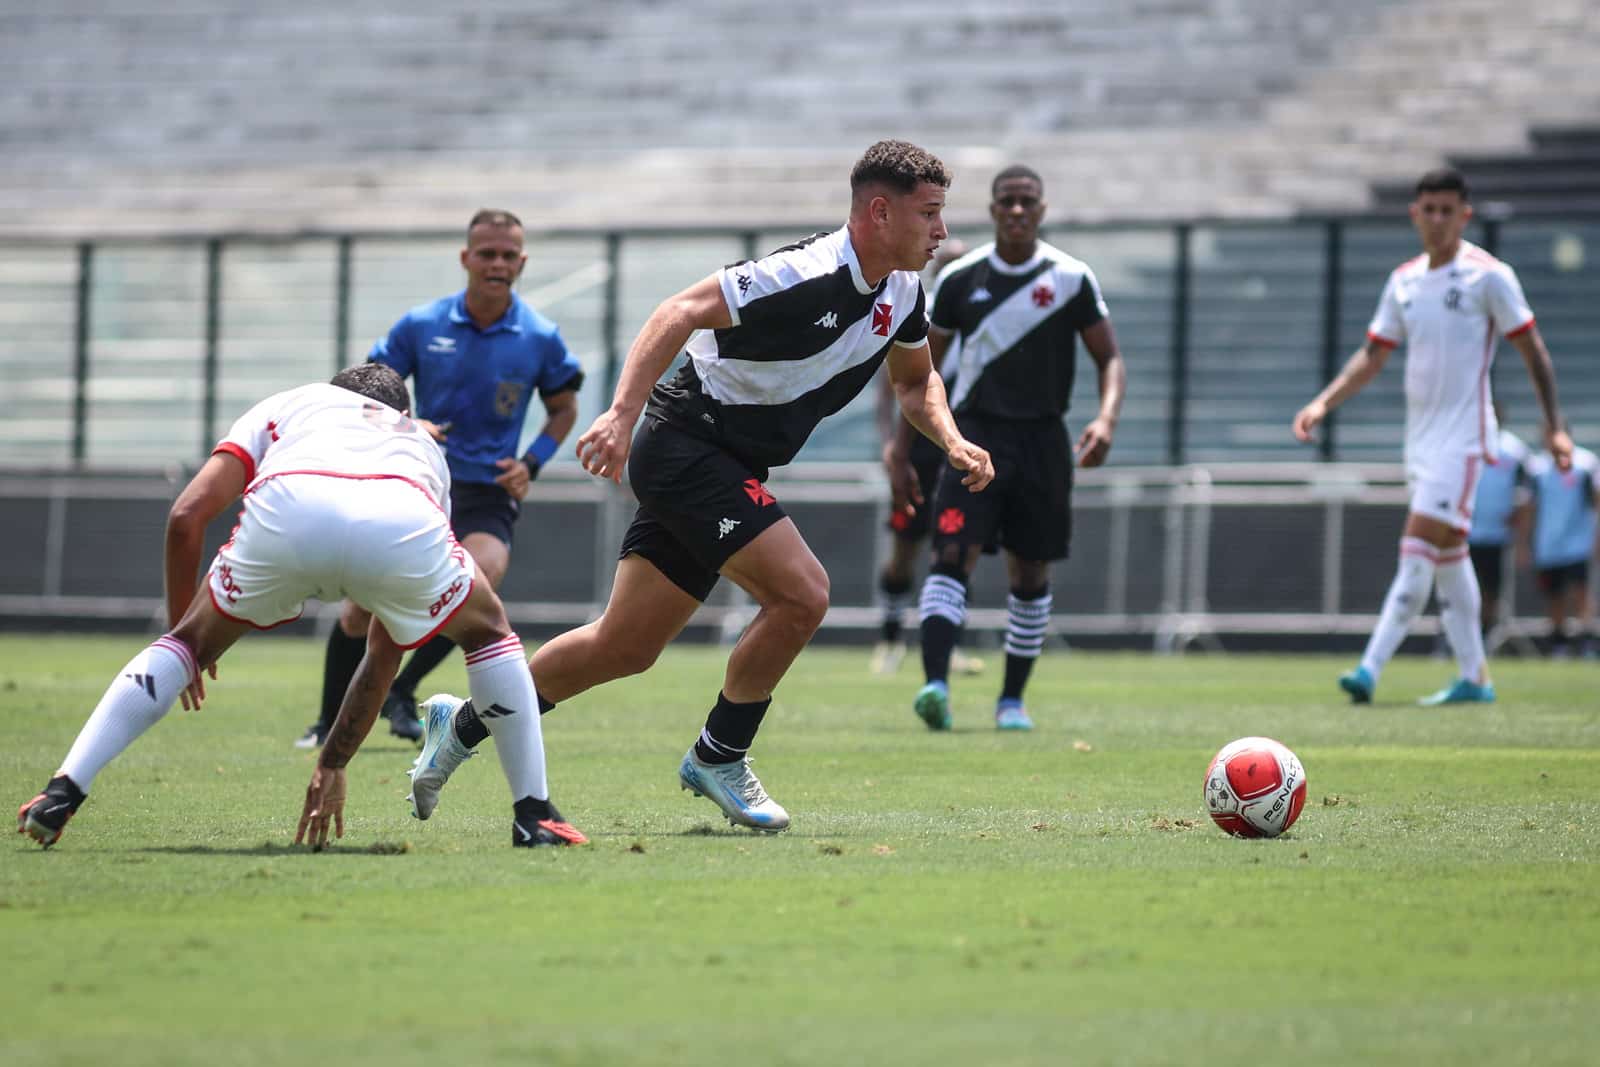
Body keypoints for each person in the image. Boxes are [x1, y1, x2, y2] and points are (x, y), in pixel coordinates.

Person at [403, 140, 995, 834]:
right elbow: (677, 311)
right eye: (929, 213)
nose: (942, 231)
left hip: (729, 463)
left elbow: (916, 382)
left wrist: (952, 440)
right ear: (880, 213)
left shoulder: (904, 291)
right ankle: (720, 753)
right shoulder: (800, 273)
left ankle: (460, 725)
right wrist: (620, 415)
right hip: (685, 443)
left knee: (623, 647)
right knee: (803, 593)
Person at [17, 364, 585, 850]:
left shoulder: (291, 403)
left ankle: (62, 791)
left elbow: (187, 515)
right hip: (398, 513)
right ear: (402, 411)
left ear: (336, 391)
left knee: (183, 646)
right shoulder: (420, 442)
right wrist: (333, 762)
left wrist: (185, 639)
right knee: (488, 634)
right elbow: (384, 651)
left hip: (291, 507)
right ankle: (534, 814)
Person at [295, 209, 582, 748]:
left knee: (479, 581)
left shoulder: (541, 336)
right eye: (487, 253)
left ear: (521, 262)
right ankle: (328, 722)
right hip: (421, 480)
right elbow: (362, 391)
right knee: (360, 610)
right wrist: (407, 423)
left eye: (508, 255)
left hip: (488, 491)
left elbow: (564, 408)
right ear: (466, 258)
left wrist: (532, 463)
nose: (497, 264)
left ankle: (401, 689)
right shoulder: (421, 324)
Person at [1293, 167, 1574, 705]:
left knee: (1416, 549)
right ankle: (1475, 678)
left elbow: (1533, 350)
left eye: (1448, 211)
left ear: (1464, 216)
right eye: (1430, 210)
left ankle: (1369, 669)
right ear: (1415, 214)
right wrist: (1323, 402)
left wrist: (1555, 428)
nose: (1438, 220)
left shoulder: (1489, 277)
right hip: (1419, 442)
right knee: (1448, 557)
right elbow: (1373, 355)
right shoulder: (1404, 281)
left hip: (1464, 440)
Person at [900, 164, 1127, 732]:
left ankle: (1011, 702)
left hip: (1043, 439)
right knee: (951, 555)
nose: (1018, 210)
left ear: (1042, 210)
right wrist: (904, 448)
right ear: (993, 210)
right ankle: (935, 687)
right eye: (1008, 201)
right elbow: (920, 371)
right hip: (975, 434)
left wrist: (1105, 419)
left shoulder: (1071, 278)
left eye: (1028, 201)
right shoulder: (961, 279)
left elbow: (1109, 358)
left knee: (1030, 571)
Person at [870, 237, 984, 677]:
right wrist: (891, 443)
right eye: (949, 263)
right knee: (905, 545)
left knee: (957, 545)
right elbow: (893, 387)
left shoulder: (980, 316)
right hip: (919, 444)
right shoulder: (917, 312)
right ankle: (890, 639)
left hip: (961, 442)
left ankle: (948, 645)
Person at [1523, 438, 1599, 658]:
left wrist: (1596, 539)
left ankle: (1586, 641)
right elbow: (1530, 507)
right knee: (1554, 595)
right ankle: (1559, 643)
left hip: (1578, 543)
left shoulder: (1585, 465)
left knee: (1581, 592)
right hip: (1548, 544)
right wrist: (1525, 543)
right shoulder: (1538, 468)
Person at [1464, 406, 1532, 646]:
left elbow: (1525, 493)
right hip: (1465, 531)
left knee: (1491, 588)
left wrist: (1519, 526)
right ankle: (1456, 636)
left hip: (1496, 534)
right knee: (1462, 588)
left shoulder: (1514, 451)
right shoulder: (1466, 444)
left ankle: (1485, 635)